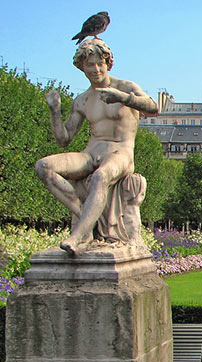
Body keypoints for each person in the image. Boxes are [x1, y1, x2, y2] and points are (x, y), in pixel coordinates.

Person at [36, 39, 158, 255]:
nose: (95, 69)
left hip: (120, 152)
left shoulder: (125, 88)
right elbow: (64, 139)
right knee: (43, 166)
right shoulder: (82, 100)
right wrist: (55, 111)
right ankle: (84, 214)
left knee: (102, 176)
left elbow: (153, 108)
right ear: (81, 67)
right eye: (90, 65)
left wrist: (122, 98)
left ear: (108, 63)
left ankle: (77, 236)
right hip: (91, 153)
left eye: (100, 63)